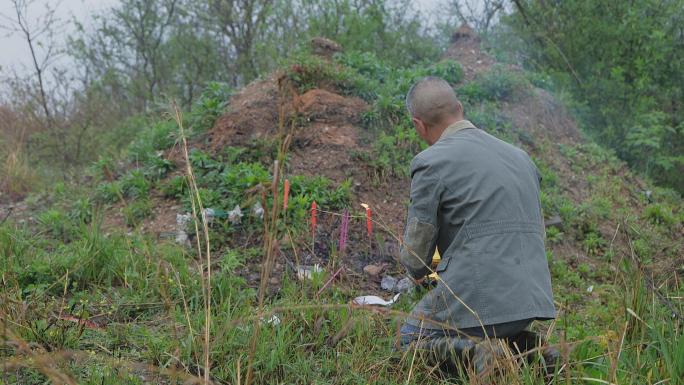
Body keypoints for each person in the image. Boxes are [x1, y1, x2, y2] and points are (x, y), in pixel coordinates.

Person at [398, 76, 558, 375]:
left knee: (409, 336)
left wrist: (420, 271)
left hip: (479, 302)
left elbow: (416, 258)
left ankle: (477, 352)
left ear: (418, 125)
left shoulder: (431, 162)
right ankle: (534, 351)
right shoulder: (521, 158)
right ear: (459, 108)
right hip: (532, 300)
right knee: (494, 327)